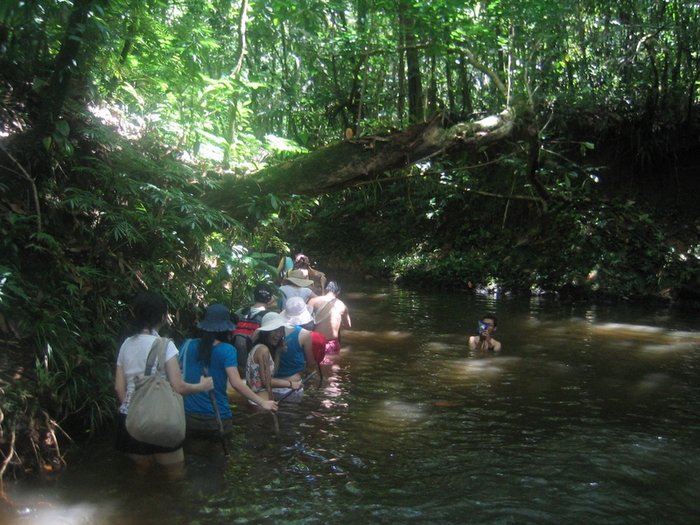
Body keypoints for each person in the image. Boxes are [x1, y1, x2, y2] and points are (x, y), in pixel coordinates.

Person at [114, 292, 214, 466]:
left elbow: (118, 387)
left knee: (140, 478)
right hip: (159, 418)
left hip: (129, 421)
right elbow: (179, 387)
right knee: (174, 476)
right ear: (162, 316)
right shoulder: (165, 346)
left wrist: (134, 411)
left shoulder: (126, 344)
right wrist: (202, 385)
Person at [179, 303, 277, 437]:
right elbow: (236, 383)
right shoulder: (227, 350)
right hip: (217, 418)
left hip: (188, 416)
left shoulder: (188, 344)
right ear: (226, 329)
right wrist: (263, 402)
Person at [246, 312, 302, 402]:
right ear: (266, 332)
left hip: (260, 400)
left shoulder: (260, 348)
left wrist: (278, 353)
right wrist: (290, 384)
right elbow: (266, 382)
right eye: (275, 330)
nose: (278, 334)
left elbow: (272, 373)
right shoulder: (263, 350)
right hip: (261, 402)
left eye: (281, 330)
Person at [274, 298, 317, 400]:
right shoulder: (305, 335)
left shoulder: (273, 331)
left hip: (272, 383)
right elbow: (311, 363)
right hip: (292, 385)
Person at [308, 281, 351, 355]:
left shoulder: (313, 301)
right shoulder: (342, 305)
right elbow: (348, 326)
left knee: (312, 364)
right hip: (331, 343)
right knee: (332, 365)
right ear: (338, 292)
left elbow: (305, 321)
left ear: (325, 290)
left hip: (315, 341)